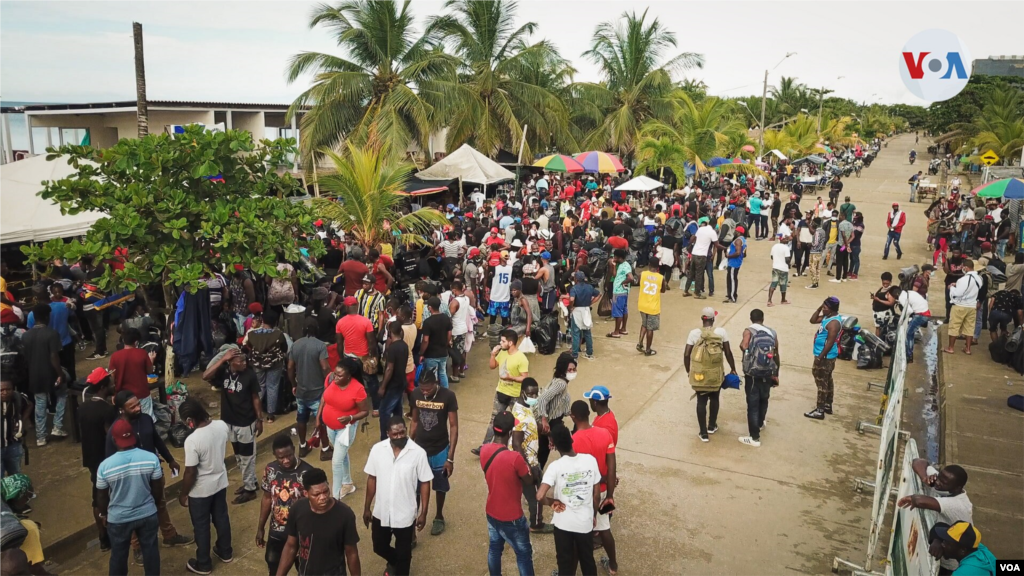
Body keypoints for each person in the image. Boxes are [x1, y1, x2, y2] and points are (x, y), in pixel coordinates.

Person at [106, 391, 193, 556]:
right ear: (121, 410)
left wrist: (170, 459)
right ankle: (137, 547)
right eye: (132, 407)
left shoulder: (146, 419)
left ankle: (169, 535)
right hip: (132, 479)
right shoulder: (116, 430)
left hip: (153, 473)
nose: (138, 408)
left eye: (138, 404)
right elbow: (111, 458)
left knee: (160, 503)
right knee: (133, 510)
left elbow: (156, 440)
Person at [363, 416, 433, 576]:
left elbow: (425, 482)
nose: (400, 436)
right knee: (379, 547)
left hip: (405, 514)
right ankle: (395, 561)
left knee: (404, 556)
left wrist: (424, 512)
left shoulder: (418, 453)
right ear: (388, 433)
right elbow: (372, 478)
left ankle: (401, 566)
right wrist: (367, 507)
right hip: (382, 511)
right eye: (395, 434)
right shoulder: (377, 450)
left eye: (403, 432)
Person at [97, 419, 163, 576]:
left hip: (118, 518)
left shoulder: (105, 466)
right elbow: (157, 488)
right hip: (147, 514)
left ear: (114, 440)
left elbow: (101, 496)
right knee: (151, 552)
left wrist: (103, 514)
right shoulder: (151, 458)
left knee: (119, 556)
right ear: (133, 436)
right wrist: (155, 505)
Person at [177, 398, 233, 575]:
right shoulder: (222, 425)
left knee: (201, 526)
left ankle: (203, 563)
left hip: (200, 490)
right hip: (220, 482)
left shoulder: (192, 440)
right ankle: (225, 552)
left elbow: (190, 472)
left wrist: (183, 493)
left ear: (189, 420)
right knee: (221, 517)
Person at [202, 347, 263, 504]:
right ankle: (250, 482)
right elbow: (205, 376)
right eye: (240, 361)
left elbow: (255, 397)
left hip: (246, 421)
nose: (244, 363)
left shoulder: (249, 374)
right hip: (229, 421)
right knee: (238, 455)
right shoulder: (224, 371)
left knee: (247, 456)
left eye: (244, 360)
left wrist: (259, 419)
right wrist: (222, 359)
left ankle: (250, 490)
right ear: (230, 362)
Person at [538, 425, 601, 576]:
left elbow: (540, 496)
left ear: (553, 445)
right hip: (584, 522)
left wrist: (552, 501)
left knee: (565, 563)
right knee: (587, 560)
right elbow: (596, 495)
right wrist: (593, 514)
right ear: (572, 438)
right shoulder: (590, 460)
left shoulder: (555, 467)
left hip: (563, 524)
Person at [275, 468, 361, 576]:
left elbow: (351, 553)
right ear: (306, 493)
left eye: (326, 491)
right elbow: (291, 545)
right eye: (316, 494)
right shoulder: (297, 509)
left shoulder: (345, 515)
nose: (323, 497)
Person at [897, 459, 972, 575]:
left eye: (944, 482)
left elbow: (919, 501)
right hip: (941, 539)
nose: (938, 482)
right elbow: (918, 462)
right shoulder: (941, 482)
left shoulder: (958, 505)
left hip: (950, 563)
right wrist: (925, 477)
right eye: (939, 477)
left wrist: (913, 498)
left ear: (957, 488)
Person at [408, 368, 459, 536]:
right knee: (415, 487)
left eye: (428, 389)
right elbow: (414, 421)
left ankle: (438, 516)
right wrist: (409, 446)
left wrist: (450, 458)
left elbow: (453, 426)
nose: (425, 392)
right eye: (422, 388)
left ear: (436, 383)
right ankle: (413, 523)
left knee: (440, 485)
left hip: (440, 449)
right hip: (420, 449)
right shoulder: (415, 394)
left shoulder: (448, 396)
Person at [256, 435, 316, 576]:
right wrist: (260, 528)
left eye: (289, 455)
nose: (286, 460)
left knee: (306, 570)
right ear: (275, 455)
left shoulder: (308, 473)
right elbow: (266, 499)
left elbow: (316, 506)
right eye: (281, 458)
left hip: (301, 533)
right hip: (277, 532)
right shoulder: (270, 470)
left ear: (294, 449)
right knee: (274, 568)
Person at [571, 399, 618, 574]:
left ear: (573, 417)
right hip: (605, 490)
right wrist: (610, 495)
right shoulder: (605, 434)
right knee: (604, 528)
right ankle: (613, 566)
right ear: (589, 414)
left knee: (579, 536)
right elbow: (612, 466)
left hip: (584, 494)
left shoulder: (573, 441)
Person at [76, 369, 119, 551]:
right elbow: (111, 436)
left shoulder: (82, 407)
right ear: (103, 387)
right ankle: (114, 533)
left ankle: (103, 537)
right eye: (110, 383)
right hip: (107, 459)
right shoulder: (107, 410)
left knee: (97, 498)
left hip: (91, 460)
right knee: (113, 497)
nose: (113, 386)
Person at [316, 357, 371, 499]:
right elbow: (324, 397)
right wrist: (318, 418)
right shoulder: (331, 379)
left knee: (336, 462)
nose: (335, 377)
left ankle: (335, 498)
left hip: (346, 430)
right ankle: (348, 483)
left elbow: (365, 411)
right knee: (341, 454)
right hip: (330, 427)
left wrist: (350, 418)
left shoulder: (358, 389)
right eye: (335, 373)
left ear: (348, 376)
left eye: (340, 375)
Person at [684, 307, 737, 441]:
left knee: (701, 401)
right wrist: (733, 368)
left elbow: (686, 354)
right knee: (715, 398)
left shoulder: (694, 333)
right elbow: (728, 352)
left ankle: (703, 433)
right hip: (715, 374)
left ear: (702, 319)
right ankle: (711, 426)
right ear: (713, 319)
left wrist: (688, 371)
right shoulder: (721, 332)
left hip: (699, 374)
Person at [473, 329, 529, 454]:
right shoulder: (502, 353)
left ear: (510, 343)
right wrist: (493, 354)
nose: (500, 343)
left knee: (518, 422)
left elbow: (525, 377)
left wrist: (511, 378)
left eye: (503, 341)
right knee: (494, 420)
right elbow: (492, 366)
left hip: (515, 395)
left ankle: (516, 447)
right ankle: (484, 446)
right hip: (501, 392)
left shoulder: (521, 358)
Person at [22, 304, 67, 447]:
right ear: (47, 316)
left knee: (40, 404)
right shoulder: (52, 333)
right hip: (50, 373)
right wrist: (60, 374)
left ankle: (41, 436)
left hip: (34, 375)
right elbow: (54, 356)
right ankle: (57, 426)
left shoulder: (25, 335)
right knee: (62, 394)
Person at [509, 379, 547, 534]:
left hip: (527, 459)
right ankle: (536, 524)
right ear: (522, 392)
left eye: (535, 393)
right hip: (528, 462)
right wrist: (527, 468)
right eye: (530, 393)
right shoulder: (519, 414)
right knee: (536, 496)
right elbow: (517, 444)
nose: (533, 396)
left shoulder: (525, 407)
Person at [287, 319, 330, 456]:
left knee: (301, 419)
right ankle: (325, 449)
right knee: (321, 420)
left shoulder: (295, 345)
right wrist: (329, 382)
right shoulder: (320, 345)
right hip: (317, 391)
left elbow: (289, 367)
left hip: (301, 391)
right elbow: (324, 367)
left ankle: (303, 446)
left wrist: (294, 384)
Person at [738, 310, 779, 447]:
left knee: (753, 404)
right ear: (763, 318)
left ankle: (754, 438)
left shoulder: (749, 331)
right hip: (768, 372)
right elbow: (776, 353)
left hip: (753, 373)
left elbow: (744, 346)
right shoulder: (772, 332)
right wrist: (776, 373)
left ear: (751, 319)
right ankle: (760, 423)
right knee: (764, 398)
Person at [335, 296, 380, 406]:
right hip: (364, 358)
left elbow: (339, 344)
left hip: (349, 358)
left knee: (356, 383)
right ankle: (376, 408)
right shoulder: (366, 321)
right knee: (372, 382)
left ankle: (360, 407)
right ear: (357, 305)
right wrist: (374, 357)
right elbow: (371, 342)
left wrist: (341, 359)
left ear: (346, 307)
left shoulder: (340, 323)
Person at [246, 309, 288, 422]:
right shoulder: (279, 334)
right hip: (275, 364)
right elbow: (285, 348)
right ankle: (270, 416)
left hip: (257, 364)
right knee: (272, 386)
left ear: (263, 320)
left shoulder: (252, 334)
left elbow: (248, 346)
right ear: (275, 322)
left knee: (260, 386)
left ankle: (256, 412)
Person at [534, 353, 574, 469]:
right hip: (553, 422)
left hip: (555, 421)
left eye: (574, 369)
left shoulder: (559, 381)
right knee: (565, 448)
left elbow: (561, 406)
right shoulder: (561, 384)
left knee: (543, 451)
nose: (572, 372)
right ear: (563, 369)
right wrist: (544, 419)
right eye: (570, 369)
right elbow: (542, 399)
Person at [805, 297, 842, 420]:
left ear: (831, 309)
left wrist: (820, 357)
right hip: (824, 355)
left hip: (825, 357)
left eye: (825, 307)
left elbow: (830, 343)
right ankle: (827, 405)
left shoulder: (834, 323)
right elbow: (813, 320)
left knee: (821, 381)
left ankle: (820, 410)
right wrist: (820, 308)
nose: (823, 309)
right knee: (827, 379)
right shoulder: (827, 317)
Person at [108, 327, 156, 418]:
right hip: (142, 394)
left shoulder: (115, 356)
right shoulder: (142, 353)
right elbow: (150, 371)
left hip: (124, 397)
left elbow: (112, 378)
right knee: (147, 419)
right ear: (136, 342)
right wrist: (151, 360)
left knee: (127, 420)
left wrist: (114, 394)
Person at [928, 522, 996, 576]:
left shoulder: (964, 573)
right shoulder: (977, 548)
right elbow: (941, 525)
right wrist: (936, 540)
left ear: (962, 550)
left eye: (946, 543)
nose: (942, 544)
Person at [945, 259, 981, 356]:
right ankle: (968, 349)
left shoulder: (962, 280)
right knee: (969, 328)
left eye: (962, 267)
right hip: (972, 306)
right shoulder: (979, 278)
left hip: (960, 306)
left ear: (966, 267)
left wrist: (951, 288)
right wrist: (957, 284)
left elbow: (958, 293)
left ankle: (951, 348)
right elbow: (971, 287)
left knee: (954, 326)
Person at [419, 297, 452, 389]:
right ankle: (445, 392)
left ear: (429, 308)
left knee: (432, 375)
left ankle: (434, 392)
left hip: (431, 354)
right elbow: (449, 333)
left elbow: (425, 340)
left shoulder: (427, 322)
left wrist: (421, 353)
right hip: (443, 352)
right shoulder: (446, 318)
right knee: (442, 373)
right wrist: (446, 343)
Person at [0, 379, 28, 478]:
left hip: (14, 445)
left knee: (16, 474)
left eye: (8, 389)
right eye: (1, 390)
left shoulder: (17, 398)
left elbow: (30, 404)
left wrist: (21, 422)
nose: (5, 392)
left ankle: (16, 493)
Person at [636, 259, 664, 356]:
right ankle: (648, 350)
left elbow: (640, 284)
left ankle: (640, 343)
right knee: (650, 328)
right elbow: (663, 290)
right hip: (653, 307)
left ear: (648, 264)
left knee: (644, 324)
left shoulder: (642, 274)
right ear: (658, 267)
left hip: (642, 304)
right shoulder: (661, 278)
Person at [568, 271, 597, 360]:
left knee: (576, 333)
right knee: (587, 332)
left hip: (577, 311)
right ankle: (589, 352)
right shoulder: (589, 287)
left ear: (576, 279)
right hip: (586, 310)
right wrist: (590, 303)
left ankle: (575, 355)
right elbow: (599, 294)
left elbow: (572, 299)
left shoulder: (574, 288)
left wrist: (571, 306)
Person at [900, 283, 932, 363]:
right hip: (925, 313)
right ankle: (909, 354)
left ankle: (909, 355)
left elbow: (909, 311)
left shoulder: (901, 297)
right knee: (911, 333)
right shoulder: (910, 293)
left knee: (908, 333)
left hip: (921, 315)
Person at [608, 249, 633, 337]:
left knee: (618, 312)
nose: (613, 258)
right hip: (624, 292)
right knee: (624, 310)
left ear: (618, 257)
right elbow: (615, 276)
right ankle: (623, 329)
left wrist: (623, 282)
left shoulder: (625, 266)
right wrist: (614, 265)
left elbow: (631, 278)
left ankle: (616, 331)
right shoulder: (620, 265)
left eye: (615, 256)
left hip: (619, 292)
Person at [691, 217, 718, 299]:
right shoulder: (712, 232)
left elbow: (715, 246)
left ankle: (705, 290)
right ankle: (706, 290)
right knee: (707, 274)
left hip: (703, 255)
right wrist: (713, 254)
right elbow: (716, 246)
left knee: (702, 273)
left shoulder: (702, 231)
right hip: (706, 255)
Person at [768, 233, 791, 306]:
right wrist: (789, 264)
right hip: (783, 268)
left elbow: (772, 257)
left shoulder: (774, 246)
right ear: (783, 239)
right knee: (783, 284)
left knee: (773, 283)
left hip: (775, 267)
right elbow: (787, 259)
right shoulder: (786, 248)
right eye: (786, 238)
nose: (788, 240)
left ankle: (769, 300)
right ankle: (783, 300)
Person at [724, 226, 746, 303]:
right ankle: (730, 294)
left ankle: (733, 296)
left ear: (738, 232)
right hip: (736, 262)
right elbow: (744, 253)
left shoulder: (738, 241)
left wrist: (728, 256)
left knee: (732, 280)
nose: (734, 232)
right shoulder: (743, 240)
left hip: (734, 263)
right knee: (730, 279)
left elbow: (738, 252)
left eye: (735, 231)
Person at [806, 218, 826, 290]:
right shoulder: (823, 231)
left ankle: (814, 283)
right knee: (818, 268)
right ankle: (816, 282)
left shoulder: (817, 232)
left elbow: (815, 243)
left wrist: (810, 244)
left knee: (812, 268)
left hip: (814, 252)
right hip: (820, 252)